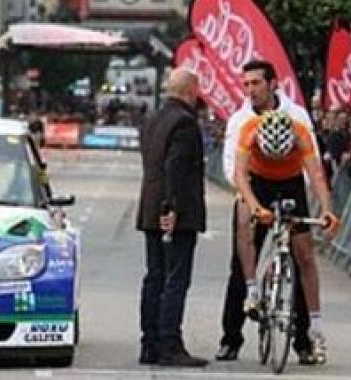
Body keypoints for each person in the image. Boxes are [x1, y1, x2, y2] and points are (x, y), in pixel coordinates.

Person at [217, 60, 329, 365]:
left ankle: (304, 339)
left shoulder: (297, 116)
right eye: (247, 85)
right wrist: (253, 204)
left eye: (256, 83)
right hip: (253, 183)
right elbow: (233, 169)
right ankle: (231, 337)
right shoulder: (241, 121)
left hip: (290, 183)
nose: (251, 90)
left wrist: (324, 208)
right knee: (241, 256)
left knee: (302, 257)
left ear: (272, 83)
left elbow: (314, 167)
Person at [136, 68, 207, 367]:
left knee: (154, 277)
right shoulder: (185, 123)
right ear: (191, 91)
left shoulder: (152, 120)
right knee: (175, 280)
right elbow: (175, 169)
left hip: (150, 209)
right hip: (175, 213)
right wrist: (173, 207)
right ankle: (169, 344)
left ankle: (149, 343)